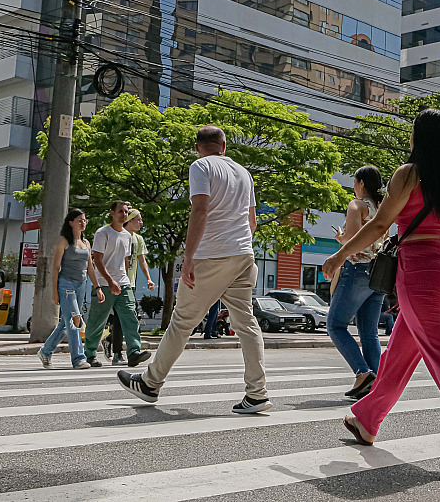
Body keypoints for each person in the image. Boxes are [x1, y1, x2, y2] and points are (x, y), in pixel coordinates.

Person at [322, 108, 440, 474]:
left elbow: (381, 225)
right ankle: (366, 420)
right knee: (399, 356)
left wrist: (340, 254)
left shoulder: (408, 175)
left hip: (419, 275)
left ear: (418, 138)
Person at [117, 126, 271, 415]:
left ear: (199, 146)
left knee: (183, 321)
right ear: (223, 145)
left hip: (212, 255)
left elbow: (200, 210)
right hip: (243, 255)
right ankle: (257, 393)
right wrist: (240, 246)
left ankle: (150, 383)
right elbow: (251, 221)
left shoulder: (201, 166)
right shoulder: (243, 173)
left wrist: (188, 257)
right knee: (246, 323)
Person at [328, 165, 389, 400]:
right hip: (379, 274)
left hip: (357, 269)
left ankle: (362, 373)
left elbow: (354, 240)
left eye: (355, 182)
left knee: (335, 325)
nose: (354, 187)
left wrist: (341, 241)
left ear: (361, 183)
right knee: (369, 331)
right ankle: (376, 383)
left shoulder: (357, 205)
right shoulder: (383, 208)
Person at [83, 201, 150, 368]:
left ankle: (133, 352)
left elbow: (125, 260)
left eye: (126, 212)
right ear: (112, 213)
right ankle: (90, 354)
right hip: (105, 284)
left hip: (123, 284)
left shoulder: (128, 236)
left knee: (130, 317)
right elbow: (97, 259)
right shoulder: (102, 232)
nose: (124, 214)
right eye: (120, 211)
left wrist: (125, 279)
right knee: (98, 320)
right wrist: (110, 281)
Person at [39, 208, 100, 369]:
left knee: (66, 324)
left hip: (81, 285)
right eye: (79, 220)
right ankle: (78, 358)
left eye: (84, 220)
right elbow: (56, 267)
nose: (83, 222)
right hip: (66, 285)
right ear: (70, 222)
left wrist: (97, 287)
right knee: (75, 320)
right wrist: (54, 292)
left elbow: (90, 267)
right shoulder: (63, 241)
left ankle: (46, 351)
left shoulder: (86, 243)